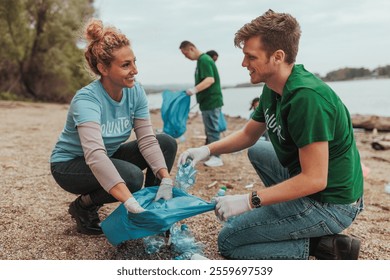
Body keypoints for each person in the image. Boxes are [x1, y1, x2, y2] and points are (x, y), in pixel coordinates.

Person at [178, 10, 363, 260]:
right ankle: (286, 214)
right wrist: (207, 150)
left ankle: (322, 245)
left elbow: (315, 180)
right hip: (309, 184)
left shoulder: (307, 99)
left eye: (250, 57)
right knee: (257, 151)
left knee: (230, 241)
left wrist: (250, 200)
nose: (244, 64)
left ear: (277, 57)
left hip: (331, 203)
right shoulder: (273, 87)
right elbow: (248, 135)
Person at [50, 19, 177, 235]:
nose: (134, 70)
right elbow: (95, 156)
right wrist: (129, 201)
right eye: (126, 65)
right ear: (103, 68)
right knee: (132, 177)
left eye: (134, 62)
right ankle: (84, 206)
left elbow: (147, 139)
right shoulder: (87, 100)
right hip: (69, 165)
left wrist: (165, 178)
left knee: (165, 142)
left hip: (106, 155)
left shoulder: (135, 91)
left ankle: (152, 209)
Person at [179, 41, 224, 167]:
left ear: (192, 48)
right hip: (206, 102)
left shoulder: (204, 60)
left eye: (185, 53)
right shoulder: (200, 61)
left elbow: (210, 80)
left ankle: (217, 157)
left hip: (211, 101)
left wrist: (194, 90)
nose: (186, 57)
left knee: (212, 130)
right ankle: (211, 154)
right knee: (209, 130)